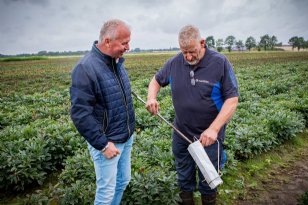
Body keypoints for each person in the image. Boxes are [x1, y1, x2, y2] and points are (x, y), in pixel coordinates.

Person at [146, 25, 239, 205]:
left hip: (209, 136)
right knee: (184, 177)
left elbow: (232, 100)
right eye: (184, 52)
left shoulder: (220, 63)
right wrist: (151, 98)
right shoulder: (174, 63)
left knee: (208, 179)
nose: (188, 57)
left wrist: (214, 129)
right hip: (181, 132)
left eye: (192, 51)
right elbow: (156, 81)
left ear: (202, 43)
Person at [70, 19, 135, 205]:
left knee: (123, 181)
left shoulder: (116, 63)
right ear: (107, 41)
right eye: (124, 43)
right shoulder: (86, 68)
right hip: (108, 141)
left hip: (125, 136)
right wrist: (103, 144)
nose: (128, 47)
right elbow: (80, 114)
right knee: (106, 193)